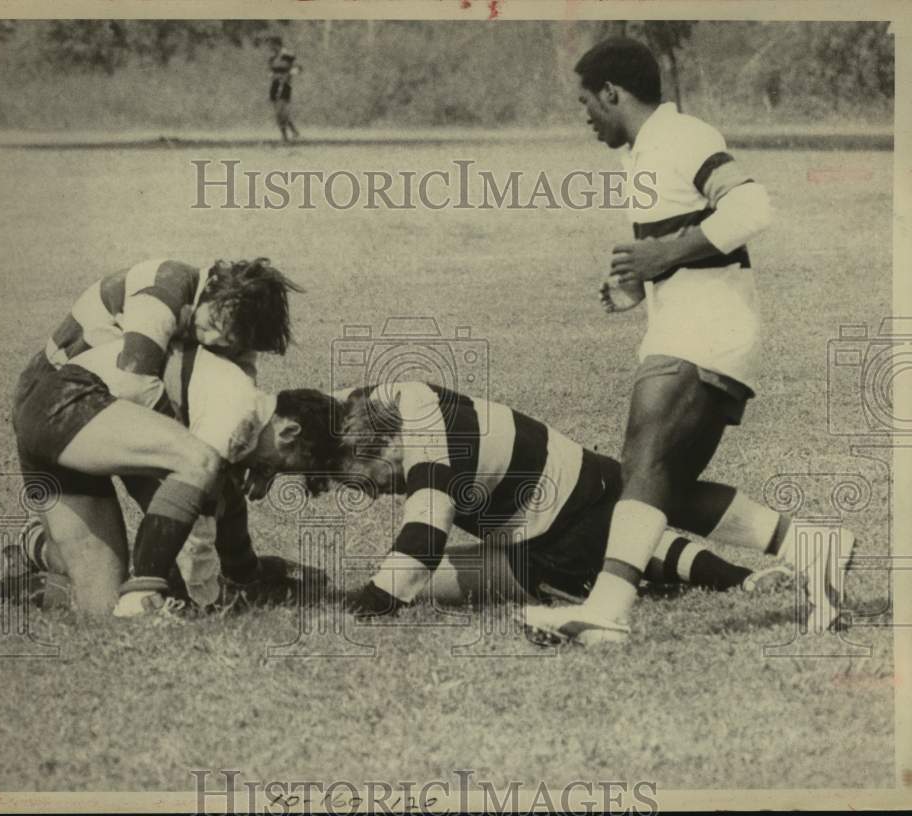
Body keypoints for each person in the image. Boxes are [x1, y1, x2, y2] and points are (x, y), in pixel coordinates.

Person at [532, 37, 853, 646]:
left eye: (585, 102)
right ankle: (812, 547)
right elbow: (686, 245)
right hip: (690, 326)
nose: (585, 117)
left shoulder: (683, 137)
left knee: (645, 464)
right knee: (661, 488)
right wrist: (641, 284)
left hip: (705, 331)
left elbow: (752, 206)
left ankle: (607, 609)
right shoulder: (645, 153)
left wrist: (663, 255)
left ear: (611, 93)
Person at [245, 382, 793, 618]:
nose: (383, 489)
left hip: (563, 521)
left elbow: (425, 534)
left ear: (388, 448)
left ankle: (737, 578)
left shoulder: (429, 446)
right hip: (562, 502)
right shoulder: (370, 405)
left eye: (378, 479)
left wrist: (370, 604)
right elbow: (316, 415)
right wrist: (268, 458)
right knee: (627, 534)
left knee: (613, 546)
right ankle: (741, 578)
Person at [0, 340, 334, 618]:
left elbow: (223, 511)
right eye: (284, 465)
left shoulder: (235, 410)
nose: (271, 473)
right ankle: (143, 588)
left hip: (53, 417)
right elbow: (199, 526)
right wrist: (208, 599)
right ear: (289, 432)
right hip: (70, 405)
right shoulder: (236, 416)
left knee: (99, 605)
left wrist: (253, 576)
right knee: (193, 502)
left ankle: (13, 565)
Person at [9, 257, 302, 616]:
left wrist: (256, 462)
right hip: (63, 404)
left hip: (103, 412)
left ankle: (35, 548)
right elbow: (134, 385)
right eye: (213, 325)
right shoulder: (165, 287)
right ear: (211, 288)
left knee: (101, 604)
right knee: (194, 482)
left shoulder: (236, 326)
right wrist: (187, 448)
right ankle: (201, 587)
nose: (211, 341)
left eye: (228, 342)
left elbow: (236, 412)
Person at [267, 36, 301, 143]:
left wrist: (289, 74)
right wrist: (272, 75)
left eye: (271, 45)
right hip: (275, 84)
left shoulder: (288, 55)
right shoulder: (272, 58)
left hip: (285, 85)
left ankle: (286, 135)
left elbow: (298, 68)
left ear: (277, 45)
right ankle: (291, 132)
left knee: (281, 111)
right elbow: (270, 71)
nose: (270, 47)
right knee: (278, 112)